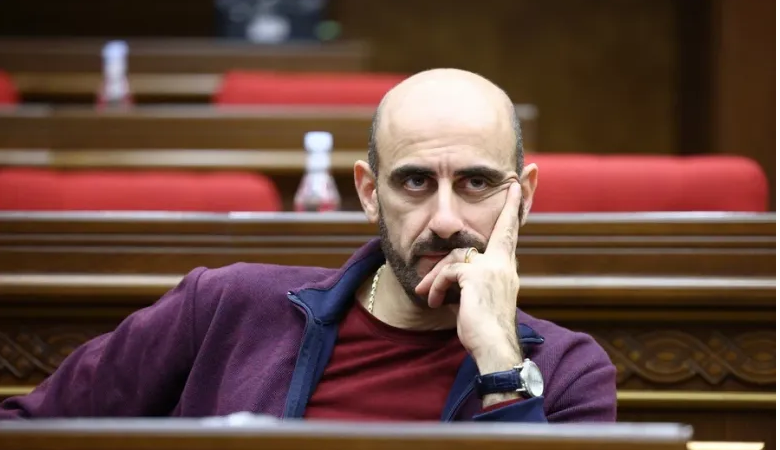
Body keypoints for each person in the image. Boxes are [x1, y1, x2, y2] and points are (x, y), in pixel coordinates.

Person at [0, 68, 616, 422]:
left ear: (523, 197)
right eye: (415, 182)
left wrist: (500, 361)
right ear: (369, 192)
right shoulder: (222, 307)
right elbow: (26, 428)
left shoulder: (570, 374)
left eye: (477, 183)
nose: (447, 219)